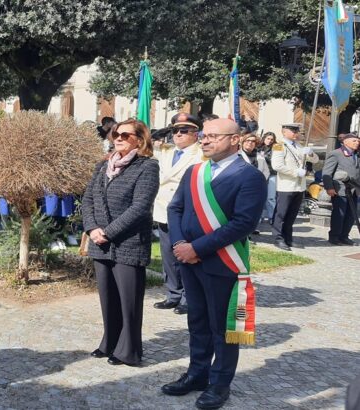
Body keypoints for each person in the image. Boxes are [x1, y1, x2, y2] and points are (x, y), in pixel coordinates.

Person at [162, 118, 266, 409]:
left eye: (213, 136)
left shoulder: (250, 176)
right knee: (197, 321)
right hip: (189, 261)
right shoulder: (194, 172)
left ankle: (220, 384)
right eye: (204, 136)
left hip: (222, 262)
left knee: (222, 327)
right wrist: (181, 245)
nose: (204, 141)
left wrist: (197, 248)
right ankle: (197, 373)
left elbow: (243, 223)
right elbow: (175, 208)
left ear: (235, 140)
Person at [81, 118, 159, 367]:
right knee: (107, 296)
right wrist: (92, 228)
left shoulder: (147, 167)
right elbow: (87, 200)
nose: (118, 138)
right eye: (116, 133)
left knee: (129, 299)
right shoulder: (102, 165)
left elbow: (140, 207)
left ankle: (129, 350)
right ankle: (109, 342)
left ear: (140, 139)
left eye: (125, 135)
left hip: (129, 241)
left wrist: (109, 232)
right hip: (99, 242)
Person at [152, 113, 204, 315]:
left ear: (196, 134)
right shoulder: (165, 151)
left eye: (184, 131)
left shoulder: (201, 154)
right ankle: (173, 294)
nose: (178, 135)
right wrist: (162, 132)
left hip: (186, 213)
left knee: (186, 256)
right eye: (175, 131)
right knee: (168, 257)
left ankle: (188, 298)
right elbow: (145, 142)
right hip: (164, 211)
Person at [270, 123, 319, 251]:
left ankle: (288, 238)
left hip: (299, 186)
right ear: (284, 132)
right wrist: (295, 172)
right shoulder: (279, 146)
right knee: (281, 213)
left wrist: (311, 153)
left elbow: (316, 160)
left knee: (292, 214)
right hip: (286, 185)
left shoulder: (299, 146)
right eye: (292, 131)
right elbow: (277, 165)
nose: (295, 133)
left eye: (296, 131)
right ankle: (278, 238)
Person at [322, 133, 360, 245]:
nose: (357, 143)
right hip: (340, 189)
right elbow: (327, 172)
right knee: (340, 214)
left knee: (351, 215)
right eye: (354, 141)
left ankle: (344, 236)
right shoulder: (336, 154)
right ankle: (334, 236)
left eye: (358, 141)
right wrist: (329, 187)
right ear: (345, 141)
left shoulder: (356, 155)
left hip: (354, 190)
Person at [260, 131, 278, 223]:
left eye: (272, 139)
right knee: (259, 197)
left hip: (272, 174)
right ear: (264, 138)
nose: (270, 141)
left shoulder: (276, 148)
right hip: (260, 174)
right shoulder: (258, 148)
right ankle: (260, 217)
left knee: (271, 197)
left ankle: (272, 217)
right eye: (268, 138)